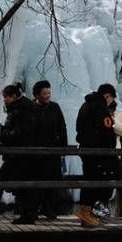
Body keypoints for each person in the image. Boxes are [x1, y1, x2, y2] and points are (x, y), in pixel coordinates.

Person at [74, 83, 118, 228]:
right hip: (98, 151)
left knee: (89, 178)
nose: (111, 102)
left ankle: (86, 214)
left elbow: (79, 127)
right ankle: (86, 212)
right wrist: (109, 148)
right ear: (107, 96)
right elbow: (107, 130)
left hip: (85, 148)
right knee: (95, 180)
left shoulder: (85, 105)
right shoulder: (101, 108)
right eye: (111, 99)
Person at [0, 84, 40, 224]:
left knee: (7, 180)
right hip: (22, 154)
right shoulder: (22, 109)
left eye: (6, 97)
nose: (4, 100)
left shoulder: (21, 111)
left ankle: (27, 215)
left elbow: (19, 134)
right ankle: (27, 214)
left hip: (21, 154)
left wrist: (2, 133)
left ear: (14, 97)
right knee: (20, 184)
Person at [31, 81, 68, 220]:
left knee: (52, 181)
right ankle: (33, 209)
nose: (47, 96)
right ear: (37, 95)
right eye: (45, 93)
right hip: (36, 152)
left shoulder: (55, 107)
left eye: (49, 93)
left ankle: (49, 208)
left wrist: (63, 146)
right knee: (36, 181)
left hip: (53, 151)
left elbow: (61, 127)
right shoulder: (32, 108)